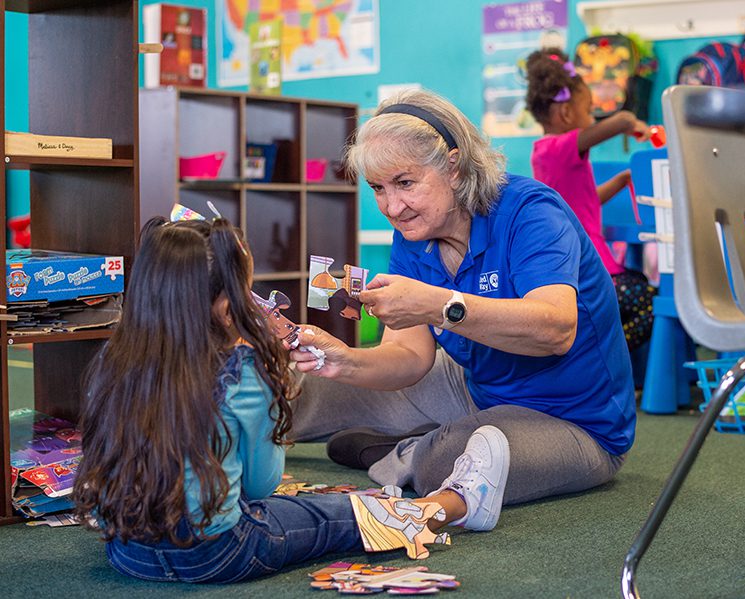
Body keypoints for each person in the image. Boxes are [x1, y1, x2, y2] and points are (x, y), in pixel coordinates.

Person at [72, 217, 507, 583]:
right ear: (227, 309)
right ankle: (457, 504)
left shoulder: (113, 361)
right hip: (216, 552)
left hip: (127, 551)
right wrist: (273, 387)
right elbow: (261, 486)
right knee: (341, 514)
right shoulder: (241, 370)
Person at [289, 89, 635, 519]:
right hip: (475, 388)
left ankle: (404, 452)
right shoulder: (413, 235)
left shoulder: (531, 211)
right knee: (317, 387)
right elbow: (409, 358)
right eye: (378, 188)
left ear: (453, 167)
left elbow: (555, 330)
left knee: (448, 458)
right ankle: (223, 432)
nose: (392, 207)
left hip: (576, 424)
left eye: (405, 183)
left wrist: (439, 305)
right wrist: (344, 362)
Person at [525, 47, 657, 351]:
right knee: (646, 301)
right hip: (592, 267)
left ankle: (594, 349)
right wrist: (628, 121)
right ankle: (595, 352)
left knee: (636, 289)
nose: (591, 118)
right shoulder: (560, 148)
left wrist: (621, 181)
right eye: (588, 110)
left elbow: (584, 202)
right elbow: (615, 124)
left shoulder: (549, 155)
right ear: (566, 113)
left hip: (583, 267)